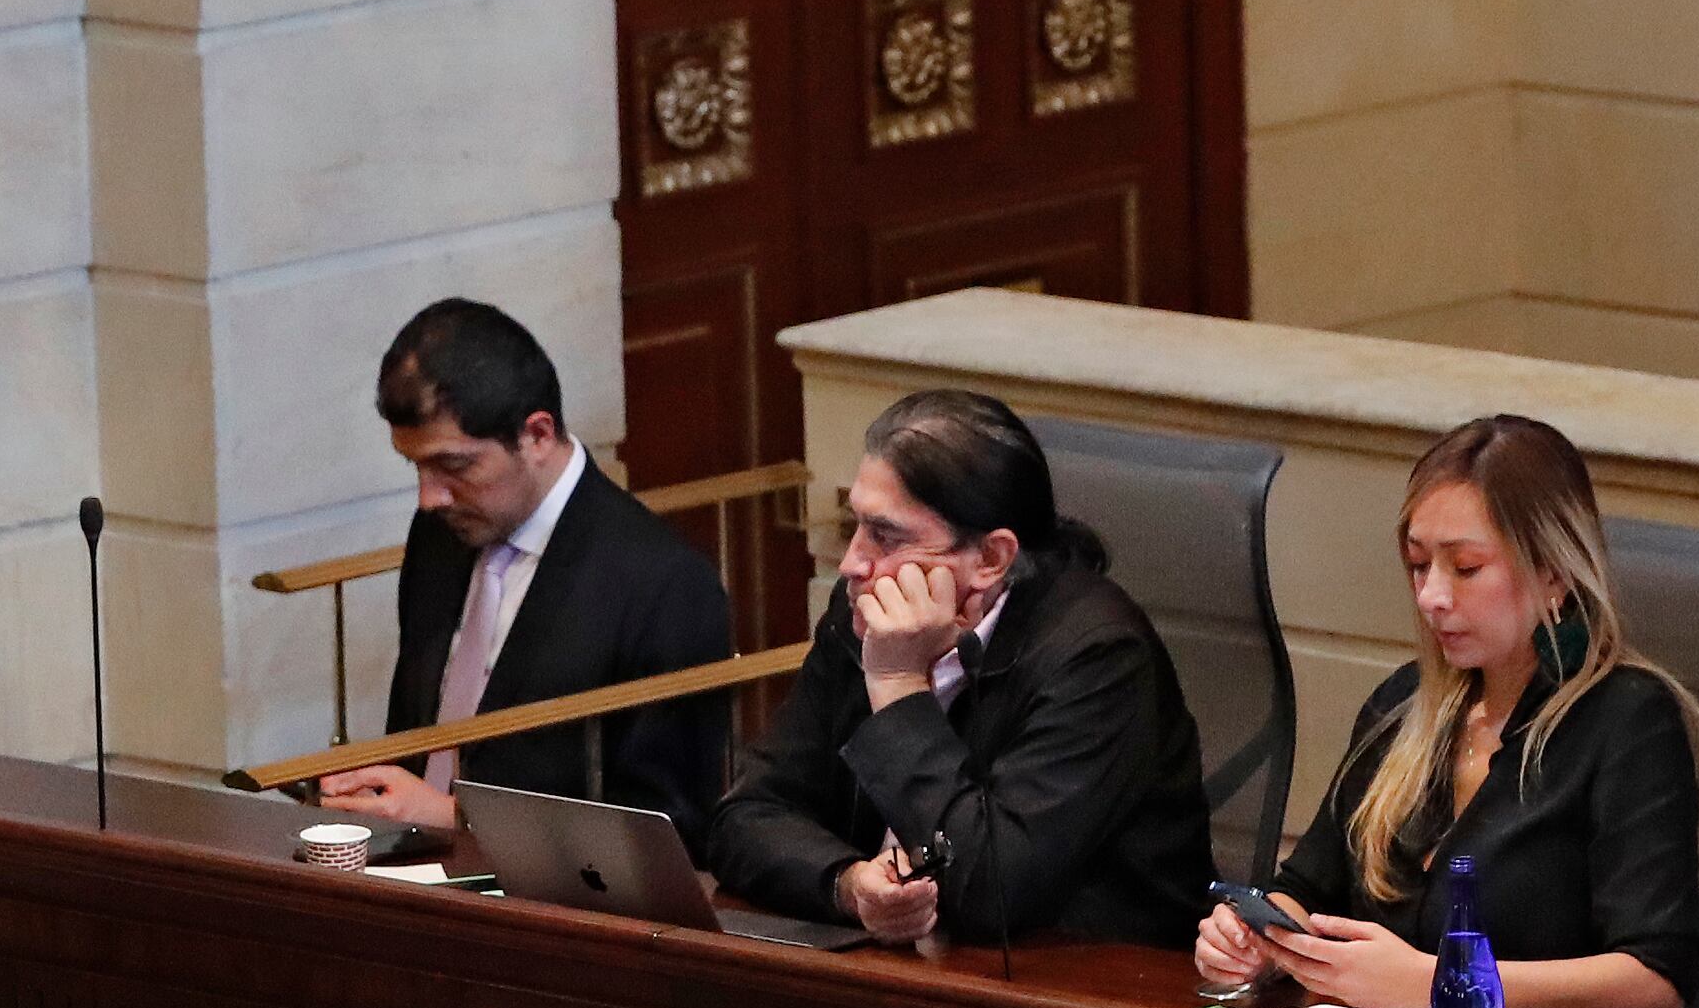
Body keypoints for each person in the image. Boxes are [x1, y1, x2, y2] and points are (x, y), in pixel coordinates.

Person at [1198, 414, 1699, 1008]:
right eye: (1418, 565)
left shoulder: (1628, 720)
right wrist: (1255, 939)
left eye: (1465, 568)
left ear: (1554, 573)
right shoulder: (1403, 705)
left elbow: (1656, 979)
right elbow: (1307, 889)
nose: (1432, 597)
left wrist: (1438, 979)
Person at [705, 387, 1210, 947]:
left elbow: (990, 888)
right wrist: (849, 886)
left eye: (886, 535)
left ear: (991, 558)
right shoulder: (862, 613)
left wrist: (897, 685)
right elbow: (743, 816)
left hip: (1080, 990)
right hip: (902, 968)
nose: (852, 563)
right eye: (855, 525)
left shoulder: (1100, 657)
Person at [312, 299, 734, 843]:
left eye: (454, 465)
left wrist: (452, 818)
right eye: (416, 466)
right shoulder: (442, 535)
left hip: (550, 909)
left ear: (536, 435)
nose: (428, 497)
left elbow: (665, 829)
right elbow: (417, 735)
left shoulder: (665, 587)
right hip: (408, 873)